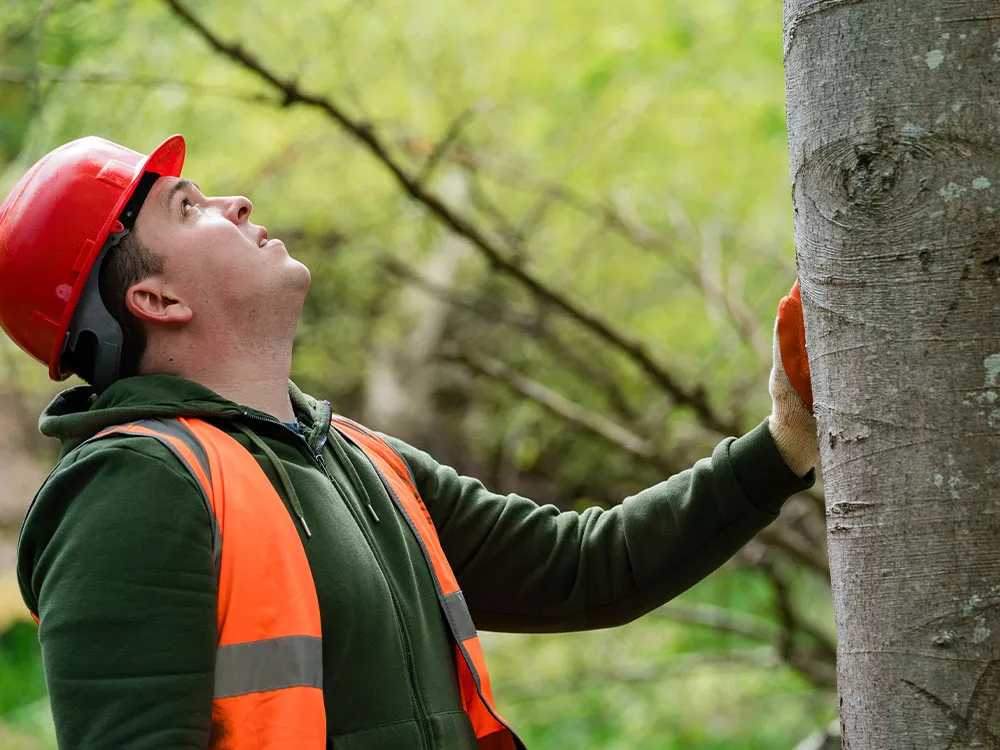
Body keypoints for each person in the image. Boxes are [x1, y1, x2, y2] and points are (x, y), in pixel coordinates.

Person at [0, 135, 819, 750]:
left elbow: (584, 570)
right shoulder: (130, 490)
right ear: (154, 296)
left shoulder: (355, 459)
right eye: (189, 207)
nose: (237, 204)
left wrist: (788, 438)